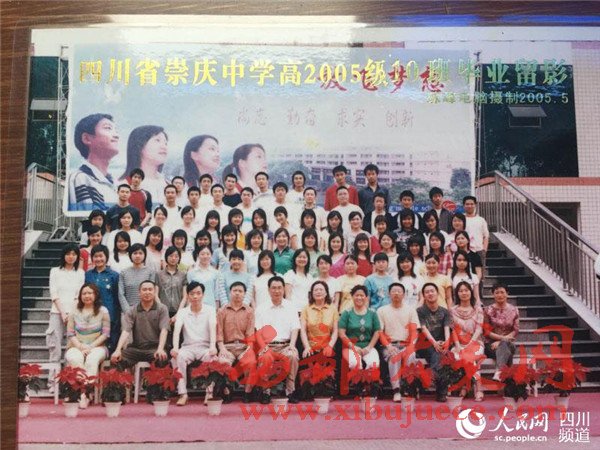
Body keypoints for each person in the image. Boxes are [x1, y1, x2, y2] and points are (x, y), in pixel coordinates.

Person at [255, 276, 301, 404]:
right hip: (268, 345)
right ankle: (265, 391)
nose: (277, 291)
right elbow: (258, 332)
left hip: (285, 345)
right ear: (268, 290)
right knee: (265, 357)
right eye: (273, 288)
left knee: (293, 355)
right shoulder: (261, 308)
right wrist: (263, 347)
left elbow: (295, 328)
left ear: (284, 289)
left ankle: (290, 391)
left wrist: (292, 345)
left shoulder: (291, 307)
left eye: (279, 288)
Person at [171, 281, 218, 406]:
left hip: (205, 347)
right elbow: (176, 331)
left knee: (212, 357)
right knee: (178, 357)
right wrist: (175, 348)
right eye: (192, 294)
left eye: (198, 293)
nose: (195, 296)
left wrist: (213, 346)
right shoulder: (182, 312)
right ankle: (183, 394)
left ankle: (209, 393)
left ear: (203, 295)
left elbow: (213, 328)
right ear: (188, 295)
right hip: (188, 347)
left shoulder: (210, 310)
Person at [65, 283, 110, 408]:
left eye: (90, 293)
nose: (87, 296)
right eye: (84, 293)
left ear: (95, 295)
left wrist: (90, 347)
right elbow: (70, 333)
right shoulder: (74, 311)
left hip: (98, 347)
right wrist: (80, 347)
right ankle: (80, 393)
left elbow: (105, 334)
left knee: (92, 359)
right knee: (75, 358)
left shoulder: (103, 311)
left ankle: (86, 392)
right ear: (80, 296)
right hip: (76, 346)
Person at [47, 244, 85, 390]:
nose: (71, 257)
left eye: (74, 254)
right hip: (56, 312)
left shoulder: (80, 273)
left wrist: (70, 313)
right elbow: (54, 293)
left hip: (74, 314)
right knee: (55, 348)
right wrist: (63, 312)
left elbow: (78, 295)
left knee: (71, 349)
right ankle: (53, 383)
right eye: (68, 254)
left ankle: (68, 383)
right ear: (63, 255)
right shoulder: (55, 271)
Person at [110, 280, 170, 367]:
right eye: (144, 290)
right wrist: (118, 350)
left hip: (155, 348)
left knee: (161, 358)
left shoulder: (162, 309)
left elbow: (164, 330)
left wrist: (160, 349)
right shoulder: (132, 310)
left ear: (154, 292)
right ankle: (124, 377)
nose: (147, 292)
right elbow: (126, 331)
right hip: (136, 349)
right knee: (116, 359)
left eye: (150, 289)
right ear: (139, 293)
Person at [378, 282, 420, 402]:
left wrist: (411, 345)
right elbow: (379, 332)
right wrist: (388, 346)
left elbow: (415, 331)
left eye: (399, 291)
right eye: (393, 291)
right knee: (394, 356)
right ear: (388, 294)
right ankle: (396, 390)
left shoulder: (411, 310)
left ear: (404, 294)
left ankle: (408, 387)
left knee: (411, 355)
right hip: (390, 345)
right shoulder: (382, 310)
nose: (396, 293)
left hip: (406, 344)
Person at [68, 113, 119, 210]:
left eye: (116, 130)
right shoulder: (81, 178)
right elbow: (85, 215)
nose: (117, 135)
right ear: (86, 138)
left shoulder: (115, 183)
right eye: (108, 128)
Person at [217, 281, 257, 403]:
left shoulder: (249, 311)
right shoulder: (222, 311)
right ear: (230, 293)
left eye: (240, 291)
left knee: (250, 362)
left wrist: (249, 349)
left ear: (244, 294)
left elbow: (250, 334)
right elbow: (219, 332)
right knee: (222, 363)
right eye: (235, 291)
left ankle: (247, 392)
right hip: (227, 346)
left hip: (243, 346)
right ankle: (227, 391)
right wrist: (222, 348)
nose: (237, 293)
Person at [416, 282, 452, 402]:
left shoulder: (445, 311)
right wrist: (435, 343)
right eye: (427, 292)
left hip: (440, 344)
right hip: (424, 344)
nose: (430, 294)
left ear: (438, 293)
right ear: (424, 295)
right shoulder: (420, 311)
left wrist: (446, 343)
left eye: (432, 291)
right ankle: (441, 392)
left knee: (441, 354)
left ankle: (432, 376)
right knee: (438, 353)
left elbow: (447, 328)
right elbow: (424, 329)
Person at [118, 125, 169, 207]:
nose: (164, 147)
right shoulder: (123, 185)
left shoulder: (168, 185)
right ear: (139, 146)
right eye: (157, 140)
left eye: (165, 143)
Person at [450, 281, 485, 401]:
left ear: (471, 292)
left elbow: (479, 329)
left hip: (476, 343)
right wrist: (457, 345)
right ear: (457, 293)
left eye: (466, 290)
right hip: (458, 344)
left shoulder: (478, 309)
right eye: (461, 291)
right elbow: (453, 330)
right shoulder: (452, 311)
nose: (464, 293)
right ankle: (469, 386)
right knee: (457, 356)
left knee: (470, 357)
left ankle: (476, 388)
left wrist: (470, 344)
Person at [85, 245, 121, 351]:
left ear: (106, 257)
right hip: (91, 313)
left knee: (111, 340)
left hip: (110, 313)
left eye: (101, 256)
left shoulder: (114, 275)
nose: (98, 259)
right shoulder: (88, 275)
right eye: (95, 256)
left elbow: (117, 296)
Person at [338, 285, 381, 369]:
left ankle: (367, 378)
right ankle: (357, 378)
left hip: (368, 347)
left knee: (374, 364)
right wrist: (353, 347)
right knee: (355, 363)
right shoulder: (346, 313)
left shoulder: (372, 313)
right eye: (356, 295)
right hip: (350, 347)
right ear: (352, 297)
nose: (359, 298)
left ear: (366, 297)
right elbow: (341, 333)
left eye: (362, 295)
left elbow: (377, 332)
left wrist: (369, 347)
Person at [484, 283, 519, 381]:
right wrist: (502, 339)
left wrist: (501, 341)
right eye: (497, 293)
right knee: (507, 352)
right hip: (491, 345)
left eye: (502, 292)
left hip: (509, 343)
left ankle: (499, 371)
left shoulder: (514, 310)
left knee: (505, 346)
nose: (500, 295)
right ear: (493, 294)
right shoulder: (487, 310)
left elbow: (515, 330)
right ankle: (506, 380)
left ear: (507, 293)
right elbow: (486, 331)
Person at [300, 281, 339, 361]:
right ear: (312, 293)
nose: (318, 292)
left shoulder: (333, 309)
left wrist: (330, 346)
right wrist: (307, 347)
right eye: (316, 290)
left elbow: (335, 331)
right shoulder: (306, 309)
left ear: (326, 293)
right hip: (311, 348)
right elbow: (303, 331)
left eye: (321, 289)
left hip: (328, 347)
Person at [118, 244, 157, 313]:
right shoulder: (124, 273)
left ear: (145, 255)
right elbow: (121, 294)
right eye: (135, 253)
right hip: (128, 311)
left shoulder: (150, 272)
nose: (137, 256)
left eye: (140, 253)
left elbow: (152, 292)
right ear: (130, 255)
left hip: (146, 311)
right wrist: (127, 311)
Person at [157, 246, 188, 321]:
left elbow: (185, 296)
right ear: (166, 257)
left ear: (179, 258)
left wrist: (178, 314)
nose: (173, 258)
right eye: (171, 256)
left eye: (176, 256)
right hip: (162, 311)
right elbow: (155, 295)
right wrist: (162, 312)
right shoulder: (159, 274)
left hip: (179, 310)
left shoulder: (183, 275)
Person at [284, 249, 315, 313]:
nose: (302, 259)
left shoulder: (310, 277)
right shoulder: (290, 274)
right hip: (293, 310)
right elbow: (287, 295)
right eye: (299, 257)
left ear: (308, 259)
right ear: (295, 259)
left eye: (304, 257)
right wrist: (289, 310)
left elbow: (310, 296)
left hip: (306, 310)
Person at [463, 196, 490, 269]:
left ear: (475, 205)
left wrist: (484, 250)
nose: (469, 206)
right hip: (464, 251)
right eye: (467, 204)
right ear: (463, 205)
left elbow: (486, 236)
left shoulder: (481, 220)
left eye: (472, 204)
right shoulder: (461, 219)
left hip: (479, 251)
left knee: (480, 274)